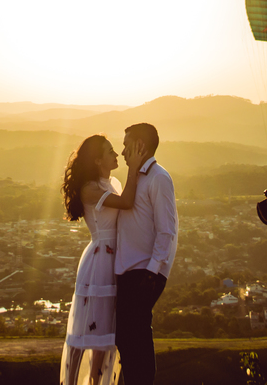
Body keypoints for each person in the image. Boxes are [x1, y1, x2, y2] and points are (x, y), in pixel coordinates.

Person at [60, 134, 150, 385]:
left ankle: (95, 382)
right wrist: (134, 167)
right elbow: (126, 203)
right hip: (100, 260)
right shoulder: (90, 189)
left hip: (117, 256)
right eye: (111, 151)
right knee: (91, 328)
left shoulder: (113, 182)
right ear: (98, 160)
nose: (117, 155)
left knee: (107, 331)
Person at [114, 123, 177, 385]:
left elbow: (167, 230)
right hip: (130, 269)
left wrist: (152, 272)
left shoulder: (158, 178)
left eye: (127, 144)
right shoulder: (136, 177)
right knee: (126, 337)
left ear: (141, 145)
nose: (123, 151)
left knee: (136, 335)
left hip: (145, 271)